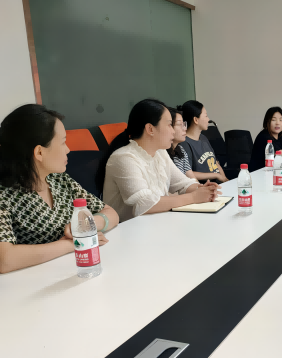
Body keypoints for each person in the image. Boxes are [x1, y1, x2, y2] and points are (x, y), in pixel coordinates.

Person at [0, 104, 119, 274]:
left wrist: (88, 225)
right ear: (39, 152)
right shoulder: (4, 194)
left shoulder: (59, 180)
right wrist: (71, 244)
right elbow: (5, 259)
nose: (68, 149)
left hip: (71, 270)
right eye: (63, 142)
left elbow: (111, 213)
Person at [97, 99, 221, 222]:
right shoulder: (124, 158)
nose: (173, 131)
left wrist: (202, 189)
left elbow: (183, 183)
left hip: (156, 224)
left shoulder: (160, 152)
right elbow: (144, 204)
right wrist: (193, 197)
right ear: (150, 129)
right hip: (129, 230)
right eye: (169, 125)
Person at [177, 100, 228, 183]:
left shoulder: (203, 138)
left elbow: (215, 162)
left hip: (218, 184)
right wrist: (216, 175)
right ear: (196, 120)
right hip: (205, 186)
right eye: (206, 116)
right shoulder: (184, 143)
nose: (208, 119)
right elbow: (188, 173)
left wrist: (224, 179)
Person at [166, 107, 194, 179]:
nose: (185, 129)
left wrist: (200, 185)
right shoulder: (162, 153)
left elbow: (191, 178)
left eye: (184, 124)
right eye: (179, 124)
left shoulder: (180, 149)